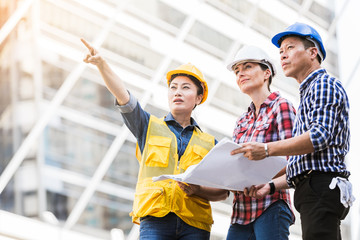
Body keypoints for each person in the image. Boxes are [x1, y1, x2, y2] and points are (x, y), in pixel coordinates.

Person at [80, 38, 228, 239]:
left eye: (186, 88)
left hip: (195, 224)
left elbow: (223, 192)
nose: (177, 92)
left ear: (199, 97)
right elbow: (124, 97)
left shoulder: (211, 144)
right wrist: (102, 65)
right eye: (173, 87)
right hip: (155, 220)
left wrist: (198, 190)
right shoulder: (148, 126)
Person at [233, 23, 353, 240]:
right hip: (311, 190)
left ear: (312, 52)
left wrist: (267, 149)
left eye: (289, 48)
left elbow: (319, 136)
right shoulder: (307, 94)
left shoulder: (323, 84)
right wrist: (269, 186)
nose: (283, 56)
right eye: (280, 52)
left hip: (321, 187)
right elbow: (302, 165)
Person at [225, 45, 296, 240]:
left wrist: (261, 180)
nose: (241, 73)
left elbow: (294, 159)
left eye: (247, 67)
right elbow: (237, 165)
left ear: (266, 73)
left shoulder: (281, 107)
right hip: (240, 213)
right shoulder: (242, 121)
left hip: (270, 206)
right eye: (237, 71)